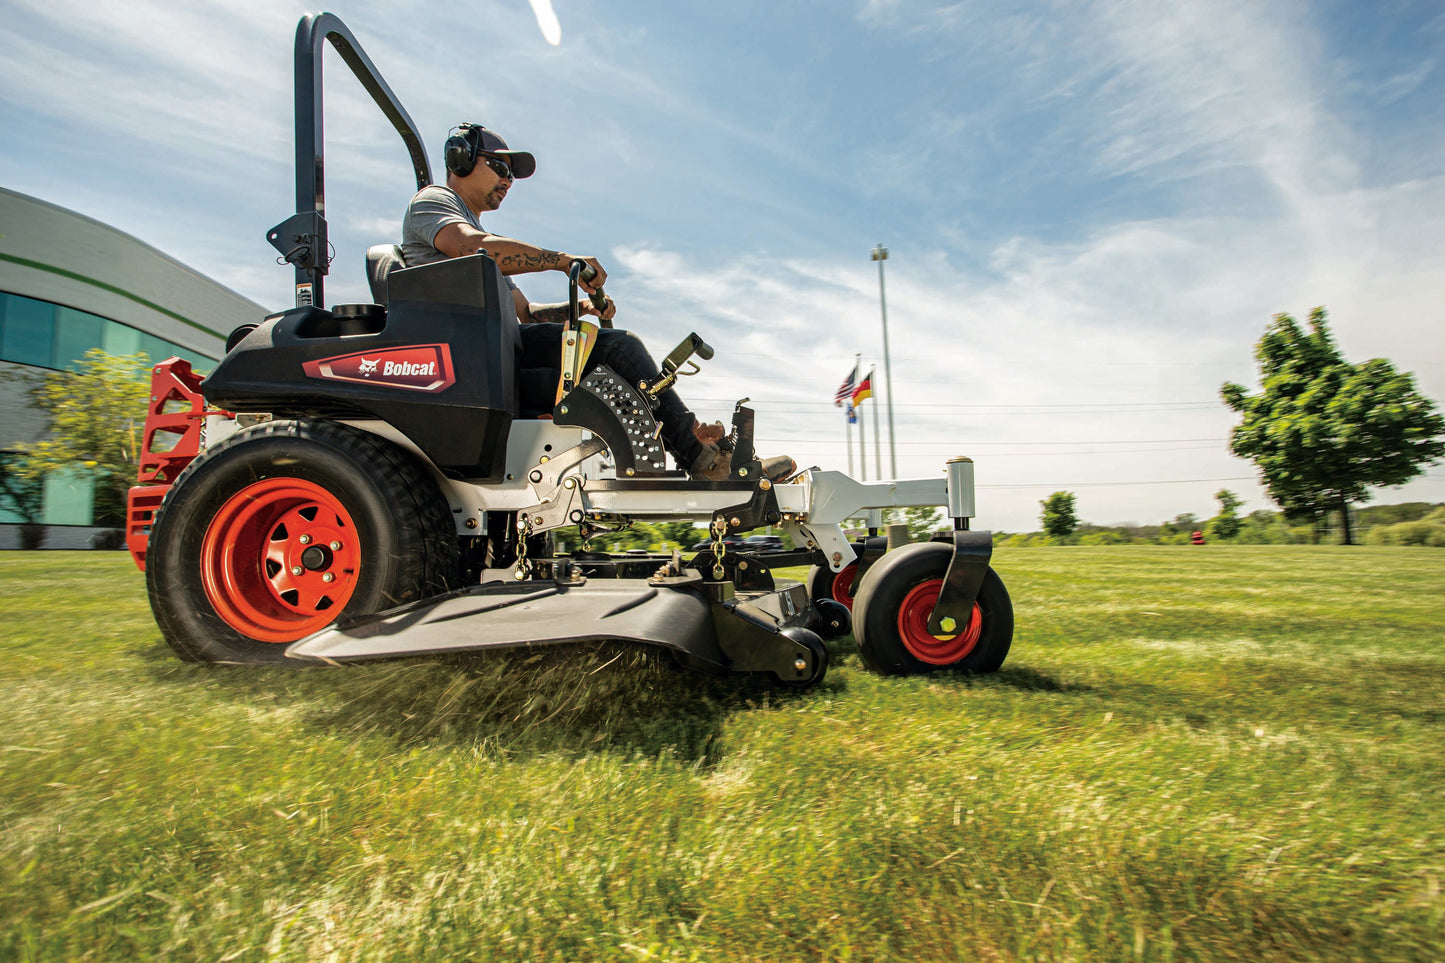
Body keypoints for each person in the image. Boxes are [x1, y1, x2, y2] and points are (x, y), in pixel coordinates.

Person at [401, 123, 792, 482]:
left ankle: (693, 443)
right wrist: (561, 260)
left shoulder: (481, 237)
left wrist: (584, 310)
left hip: (499, 353)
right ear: (461, 158)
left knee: (610, 361)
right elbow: (471, 247)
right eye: (500, 168)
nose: (508, 180)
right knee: (620, 349)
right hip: (465, 363)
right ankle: (703, 459)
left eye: (512, 174)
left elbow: (524, 315)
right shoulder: (434, 201)